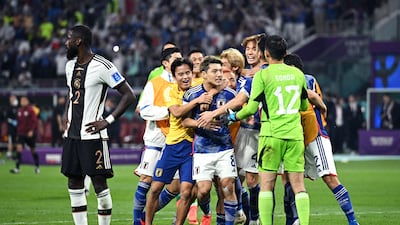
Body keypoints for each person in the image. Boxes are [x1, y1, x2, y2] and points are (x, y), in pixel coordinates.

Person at [227, 35, 310, 225]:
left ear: (265, 53)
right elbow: (304, 106)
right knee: (298, 186)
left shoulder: (263, 75)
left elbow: (248, 109)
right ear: (285, 53)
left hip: (271, 135)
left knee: (266, 185)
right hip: (295, 135)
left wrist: (232, 117)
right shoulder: (298, 75)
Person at [61, 24, 136, 225]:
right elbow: (71, 94)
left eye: (69, 38)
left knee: (99, 185)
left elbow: (129, 95)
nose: (66, 42)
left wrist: (108, 120)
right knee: (74, 182)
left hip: (92, 136)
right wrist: (64, 115)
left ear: (79, 41)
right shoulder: (70, 66)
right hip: (72, 136)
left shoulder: (103, 66)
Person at [283, 53, 360, 225]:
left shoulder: (307, 79)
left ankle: (353, 221)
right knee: (290, 181)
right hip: (293, 138)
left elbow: (311, 95)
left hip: (315, 136)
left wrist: (322, 107)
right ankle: (292, 221)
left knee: (330, 178)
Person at [145, 58, 212, 225]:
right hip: (172, 146)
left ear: (192, 73)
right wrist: (197, 100)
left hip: (191, 148)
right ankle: (146, 222)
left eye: (187, 73)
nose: (185, 77)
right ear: (174, 76)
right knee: (155, 188)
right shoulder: (170, 91)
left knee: (187, 191)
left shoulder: (199, 86)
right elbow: (176, 112)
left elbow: (216, 84)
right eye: (180, 74)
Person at [182, 56, 238, 225]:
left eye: (221, 71)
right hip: (202, 150)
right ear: (204, 74)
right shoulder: (192, 94)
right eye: (215, 71)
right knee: (203, 191)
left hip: (224, 148)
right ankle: (206, 211)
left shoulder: (230, 94)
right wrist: (202, 124)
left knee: (227, 187)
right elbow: (185, 121)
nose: (220, 74)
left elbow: (241, 113)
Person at [133, 47, 183, 225]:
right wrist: (169, 112)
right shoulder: (154, 83)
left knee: (177, 186)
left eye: (181, 58)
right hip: (157, 138)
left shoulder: (184, 82)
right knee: (146, 179)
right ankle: (137, 221)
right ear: (165, 63)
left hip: (178, 138)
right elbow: (144, 110)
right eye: (176, 59)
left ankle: (148, 212)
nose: (179, 61)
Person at [10, 96, 39, 174]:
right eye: (21, 100)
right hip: (21, 133)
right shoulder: (19, 111)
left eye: (24, 100)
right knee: (19, 148)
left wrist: (32, 131)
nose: (22, 102)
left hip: (29, 133)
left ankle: (37, 166)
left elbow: (35, 122)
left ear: (27, 101)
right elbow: (18, 123)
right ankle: (17, 167)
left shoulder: (31, 110)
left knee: (33, 150)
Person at [5, 94, 19, 159]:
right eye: (12, 99)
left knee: (17, 141)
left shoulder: (17, 108)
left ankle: (18, 154)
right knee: (10, 141)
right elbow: (6, 118)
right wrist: (12, 122)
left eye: (14, 98)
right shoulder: (8, 108)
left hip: (17, 128)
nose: (13, 100)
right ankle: (9, 154)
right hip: (11, 128)